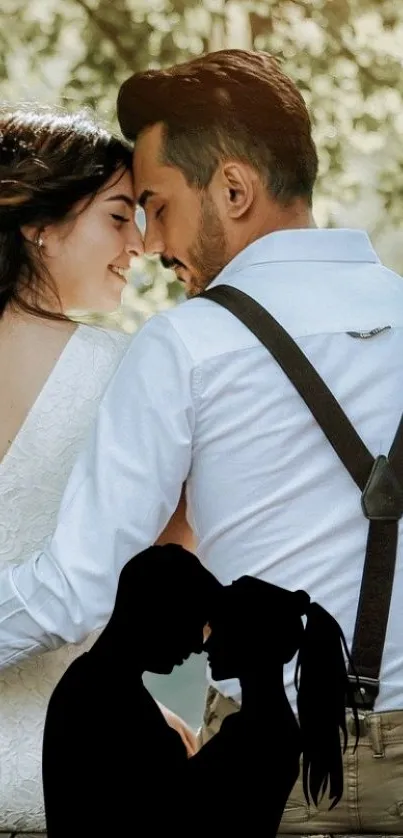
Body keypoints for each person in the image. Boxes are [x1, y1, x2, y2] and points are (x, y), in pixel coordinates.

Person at [0, 49, 402, 833]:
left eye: (154, 203)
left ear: (232, 188)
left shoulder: (184, 346)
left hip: (264, 768)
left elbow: (82, 587)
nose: (148, 242)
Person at [0, 106, 194, 834]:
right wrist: (168, 714)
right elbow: (174, 575)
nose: (140, 245)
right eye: (119, 216)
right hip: (68, 772)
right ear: (37, 223)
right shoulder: (128, 373)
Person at [42, 543, 358, 836]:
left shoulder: (93, 688)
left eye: (213, 629)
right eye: (194, 623)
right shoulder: (103, 698)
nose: (199, 645)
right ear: (157, 613)